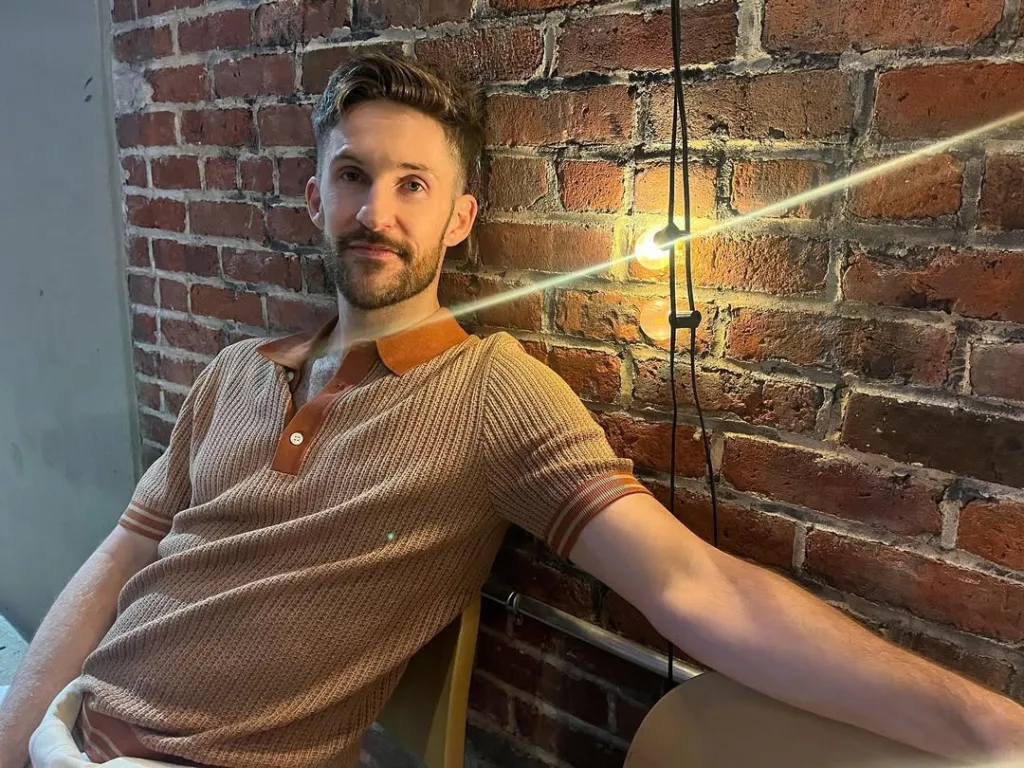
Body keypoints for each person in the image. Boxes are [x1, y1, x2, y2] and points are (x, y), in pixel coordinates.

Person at [2, 52, 1022, 768]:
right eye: (352, 177)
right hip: (69, 725)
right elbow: (123, 557)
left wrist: (997, 730)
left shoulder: (491, 395)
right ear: (314, 198)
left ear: (458, 218)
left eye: (412, 184)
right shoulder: (232, 372)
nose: (376, 213)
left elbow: (702, 591)